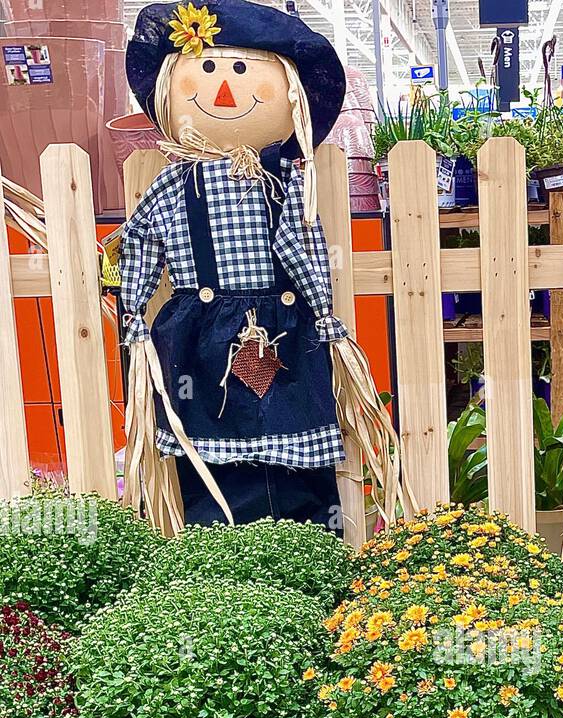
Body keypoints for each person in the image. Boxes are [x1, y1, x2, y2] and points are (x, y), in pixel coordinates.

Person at [121, 0, 400, 533]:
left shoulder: (287, 183)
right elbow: (139, 244)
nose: (224, 89)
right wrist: (132, 315)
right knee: (212, 466)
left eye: (243, 71)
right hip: (200, 341)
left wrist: (324, 315)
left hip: (286, 334)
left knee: (302, 462)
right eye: (206, 70)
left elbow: (301, 246)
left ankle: (311, 557)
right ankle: (222, 568)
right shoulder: (173, 188)